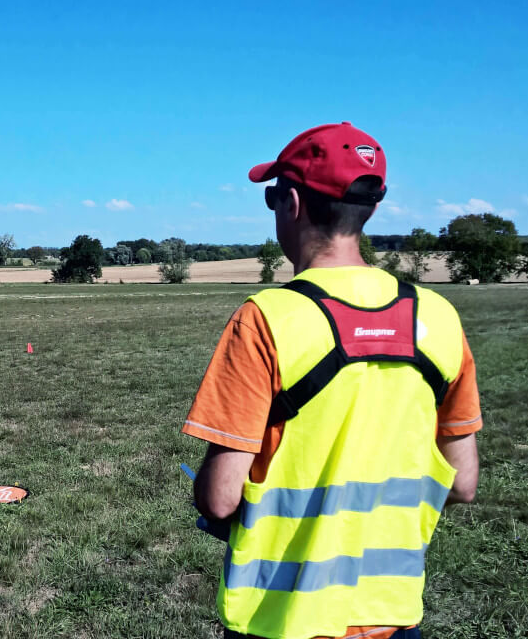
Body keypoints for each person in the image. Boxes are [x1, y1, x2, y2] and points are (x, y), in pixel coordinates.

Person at [181, 122, 481, 639]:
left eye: (273, 195)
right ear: (369, 210)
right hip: (391, 611)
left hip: (280, 619)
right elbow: (464, 482)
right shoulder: (438, 318)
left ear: (291, 203)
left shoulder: (267, 318)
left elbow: (220, 499)